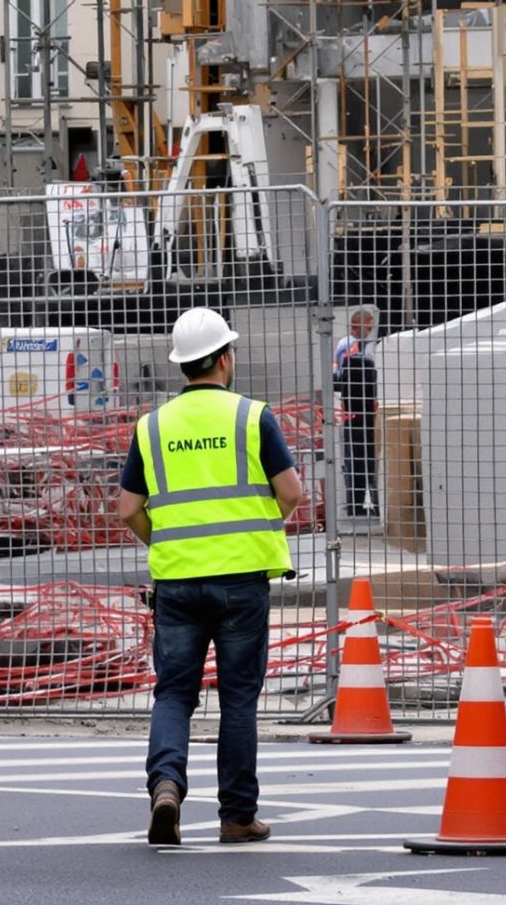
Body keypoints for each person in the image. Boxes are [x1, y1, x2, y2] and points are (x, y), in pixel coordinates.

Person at [113, 307, 304, 846]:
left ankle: (166, 786)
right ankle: (237, 816)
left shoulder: (152, 426)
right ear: (224, 359)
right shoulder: (252, 417)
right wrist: (255, 528)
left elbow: (128, 508)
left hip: (176, 583)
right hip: (241, 581)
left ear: (183, 364)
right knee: (238, 698)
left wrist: (168, 543)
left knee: (174, 694)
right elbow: (291, 493)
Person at [332, 307, 381, 519]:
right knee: (362, 456)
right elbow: (349, 377)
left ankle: (356, 502)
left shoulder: (346, 344)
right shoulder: (352, 346)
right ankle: (358, 503)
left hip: (352, 409)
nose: (370, 329)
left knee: (356, 455)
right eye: (369, 324)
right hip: (358, 411)